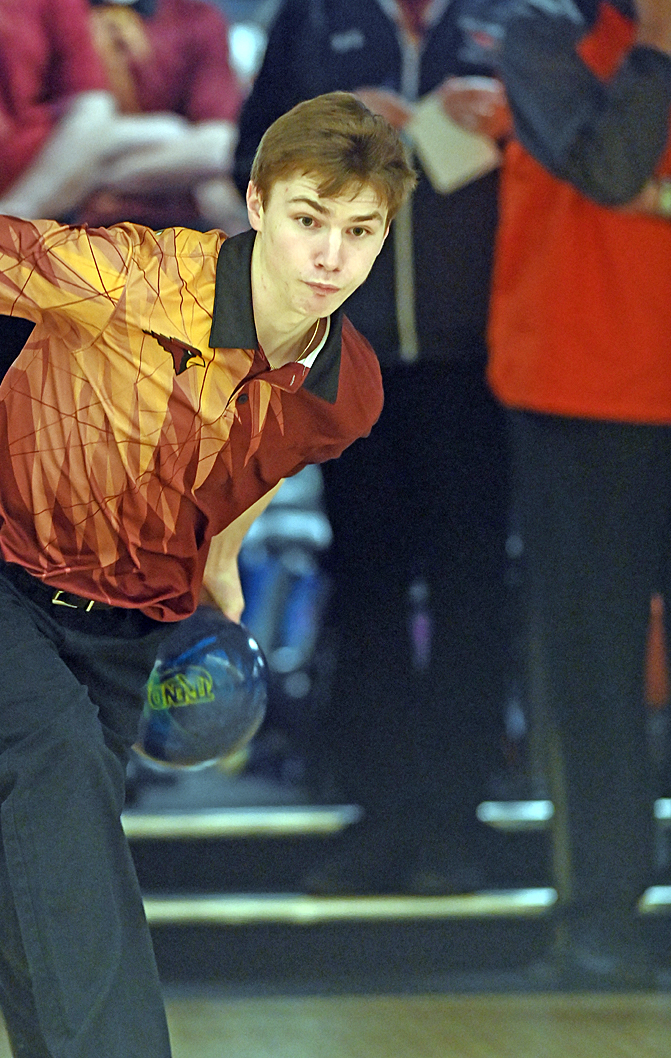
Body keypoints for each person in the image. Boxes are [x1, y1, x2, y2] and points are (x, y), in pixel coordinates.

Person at [0, 92, 415, 1056]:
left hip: (123, 632)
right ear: (257, 203)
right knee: (59, 755)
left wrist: (220, 565)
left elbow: (265, 457)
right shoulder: (129, 274)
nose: (330, 255)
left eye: (359, 232)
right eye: (309, 221)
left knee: (47, 883)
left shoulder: (346, 386)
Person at [234, 0, 514, 894]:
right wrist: (334, 140)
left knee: (475, 588)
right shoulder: (314, 18)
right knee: (365, 585)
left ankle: (459, 821)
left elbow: (577, 161)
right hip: (350, 361)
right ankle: (381, 817)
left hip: (487, 362)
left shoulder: (522, 16)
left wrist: (513, 123)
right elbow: (248, 169)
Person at [481, 0, 671, 986]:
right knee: (593, 677)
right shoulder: (542, 33)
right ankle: (600, 914)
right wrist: (658, 46)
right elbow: (611, 166)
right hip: (578, 393)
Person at [75, 0, 247, 235]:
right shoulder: (54, 10)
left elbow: (217, 134)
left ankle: (78, 180)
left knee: (215, 142)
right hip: (66, 158)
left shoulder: (195, 16)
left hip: (160, 197)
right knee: (90, 113)